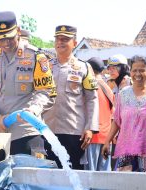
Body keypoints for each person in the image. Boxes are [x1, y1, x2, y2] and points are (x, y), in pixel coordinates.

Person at [0, 11, 56, 155]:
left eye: (10, 38)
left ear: (18, 31)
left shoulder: (36, 56)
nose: (6, 43)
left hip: (26, 131)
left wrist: (33, 110)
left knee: (26, 175)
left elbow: (46, 90)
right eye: (0, 39)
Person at [102, 55, 146, 172]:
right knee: (124, 185)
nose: (138, 74)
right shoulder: (124, 94)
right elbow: (117, 120)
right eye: (134, 70)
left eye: (142, 70)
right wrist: (107, 141)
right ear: (130, 72)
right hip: (126, 150)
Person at [43, 25, 99, 170]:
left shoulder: (84, 68)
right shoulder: (45, 68)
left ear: (74, 43)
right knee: (49, 174)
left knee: (73, 172)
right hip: (48, 129)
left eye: (65, 39)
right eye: (57, 39)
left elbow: (92, 99)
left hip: (74, 131)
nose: (60, 42)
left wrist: (90, 128)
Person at [85, 57, 114, 171]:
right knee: (105, 180)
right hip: (107, 137)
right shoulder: (108, 88)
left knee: (89, 177)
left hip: (92, 136)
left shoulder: (89, 86)